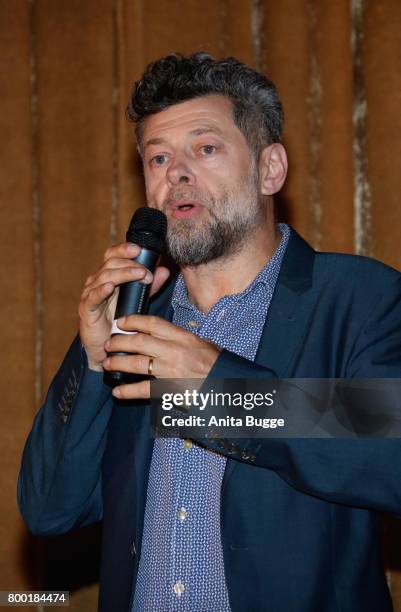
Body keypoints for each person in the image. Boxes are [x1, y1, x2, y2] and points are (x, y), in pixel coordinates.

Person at [18, 52, 401, 612]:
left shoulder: (356, 298)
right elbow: (49, 508)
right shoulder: (137, 327)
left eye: (206, 148)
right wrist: (94, 361)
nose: (176, 172)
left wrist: (218, 388)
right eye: (157, 157)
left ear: (270, 169)